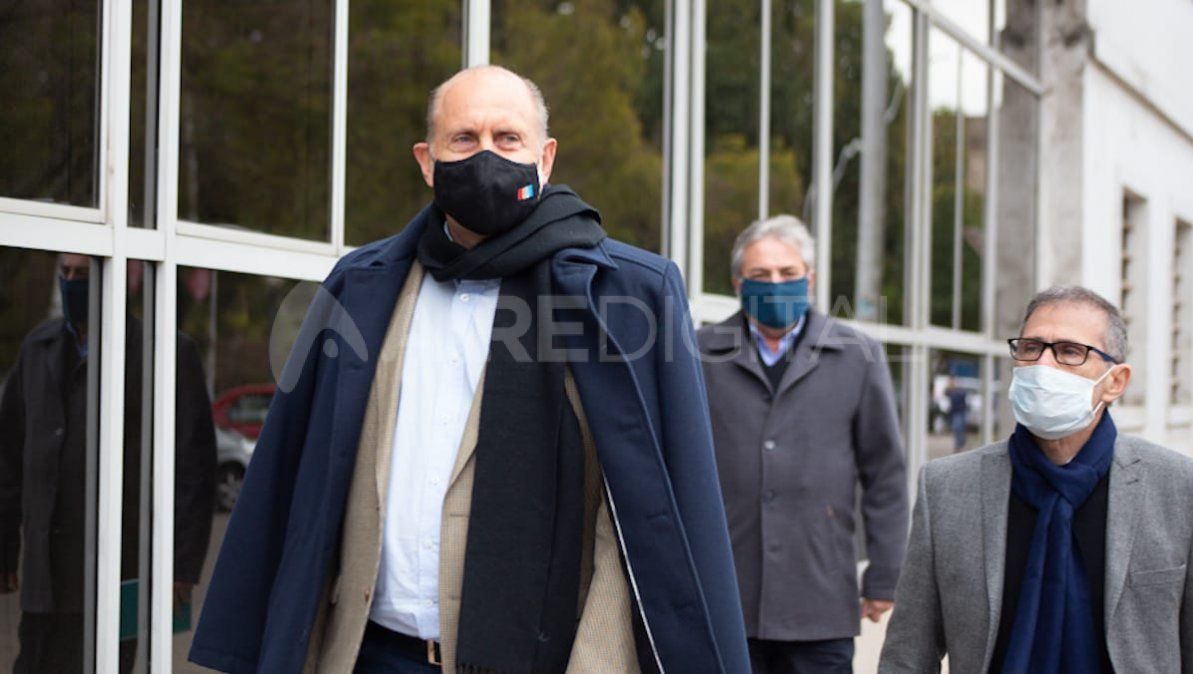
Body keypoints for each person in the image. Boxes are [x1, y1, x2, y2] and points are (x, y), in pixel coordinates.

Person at [188, 65, 750, 674]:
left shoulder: (626, 295)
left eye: (508, 139)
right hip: (367, 654)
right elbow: (296, 477)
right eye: (464, 139)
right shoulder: (360, 287)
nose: (486, 156)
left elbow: (648, 513)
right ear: (427, 161)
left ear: (546, 158)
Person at [880, 285, 1193, 673]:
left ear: (1116, 381)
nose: (1043, 366)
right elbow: (908, 653)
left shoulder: (1180, 488)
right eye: (1031, 348)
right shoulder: (946, 487)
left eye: (1069, 352)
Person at [696, 216, 909, 674]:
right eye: (760, 275)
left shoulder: (858, 355)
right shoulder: (698, 355)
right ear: (738, 283)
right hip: (726, 594)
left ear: (809, 279)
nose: (776, 284)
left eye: (788, 274)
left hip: (821, 599)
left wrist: (886, 573)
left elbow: (885, 473)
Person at [0, 254, 216, 673]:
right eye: (65, 273)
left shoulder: (165, 353)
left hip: (120, 570)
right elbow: (8, 457)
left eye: (83, 273)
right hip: (46, 574)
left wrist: (180, 568)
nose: (71, 282)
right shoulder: (37, 348)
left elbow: (194, 470)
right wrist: (4, 548)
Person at [945, 376, 970, 452]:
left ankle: (960, 445)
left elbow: (963, 397)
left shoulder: (958, 390)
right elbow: (946, 394)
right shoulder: (950, 390)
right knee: (957, 429)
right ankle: (958, 445)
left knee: (959, 428)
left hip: (960, 412)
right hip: (954, 413)